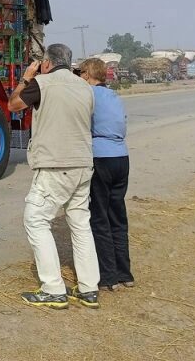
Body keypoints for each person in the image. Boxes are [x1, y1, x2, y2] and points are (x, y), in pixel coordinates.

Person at [8, 43, 100, 310]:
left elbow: (13, 105)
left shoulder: (41, 83)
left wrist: (27, 77)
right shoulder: (85, 87)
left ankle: (53, 289)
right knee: (81, 224)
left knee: (36, 220)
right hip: (83, 162)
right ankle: (88, 288)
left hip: (55, 164)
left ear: (46, 62)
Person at [79, 58, 134, 291]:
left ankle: (108, 276)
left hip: (100, 157)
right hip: (121, 157)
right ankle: (125, 273)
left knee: (99, 217)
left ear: (88, 74)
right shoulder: (114, 96)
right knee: (117, 215)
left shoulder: (88, 95)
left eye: (81, 73)